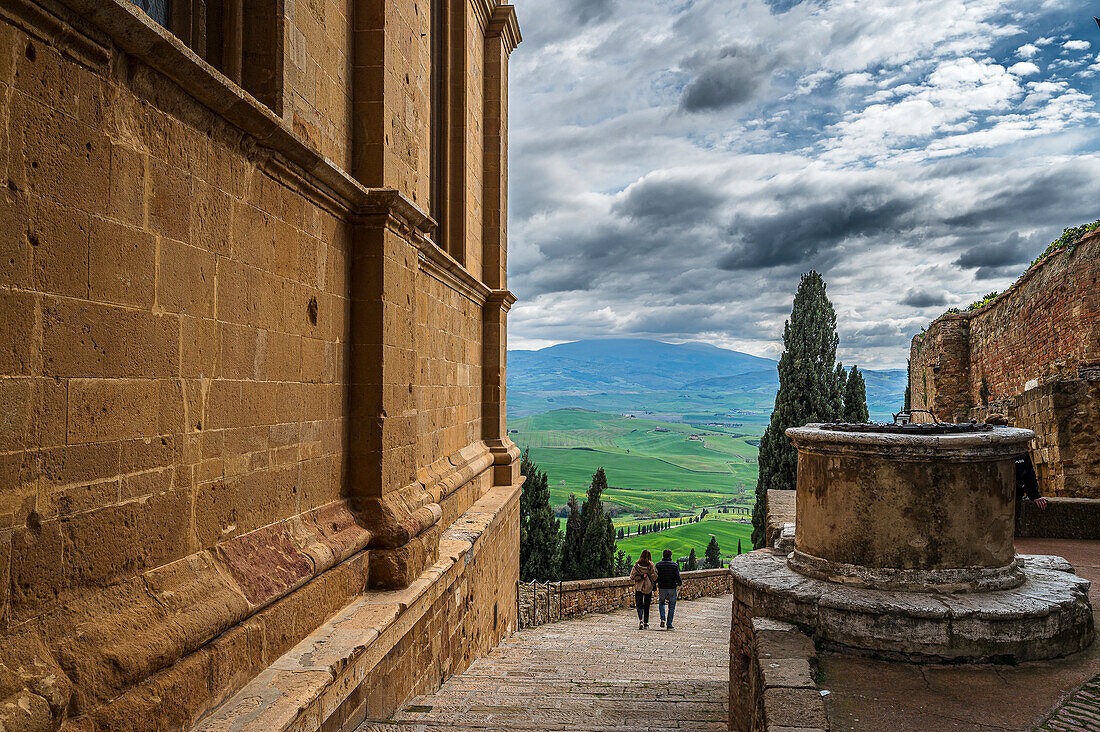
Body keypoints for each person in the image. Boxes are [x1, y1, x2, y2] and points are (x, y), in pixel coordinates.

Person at [988, 414, 1048, 510]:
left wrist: (1035, 496)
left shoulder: (1018, 448)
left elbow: (1028, 473)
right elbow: (1028, 473)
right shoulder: (1018, 447)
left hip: (1009, 496)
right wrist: (1035, 495)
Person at [630, 550, 658, 629]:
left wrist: (640, 577)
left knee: (639, 605)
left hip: (639, 587)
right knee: (646, 605)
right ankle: (646, 623)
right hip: (648, 587)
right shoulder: (651, 565)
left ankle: (641, 620)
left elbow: (632, 577)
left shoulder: (637, 565)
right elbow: (654, 577)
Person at [655, 549, 682, 630]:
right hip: (672, 587)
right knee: (672, 606)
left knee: (661, 602)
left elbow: (656, 576)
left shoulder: (658, 564)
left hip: (662, 587)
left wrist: (655, 583)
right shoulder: (675, 565)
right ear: (670, 556)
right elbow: (678, 576)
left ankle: (663, 618)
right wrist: (679, 583)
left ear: (663, 555)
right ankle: (669, 624)